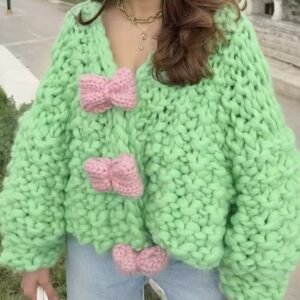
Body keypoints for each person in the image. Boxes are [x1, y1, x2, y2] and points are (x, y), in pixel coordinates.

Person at [0, 0, 300, 299]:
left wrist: (255, 273)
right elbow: (44, 142)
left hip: (195, 247)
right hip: (98, 240)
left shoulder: (221, 32)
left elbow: (263, 160)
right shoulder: (81, 26)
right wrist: (32, 247)